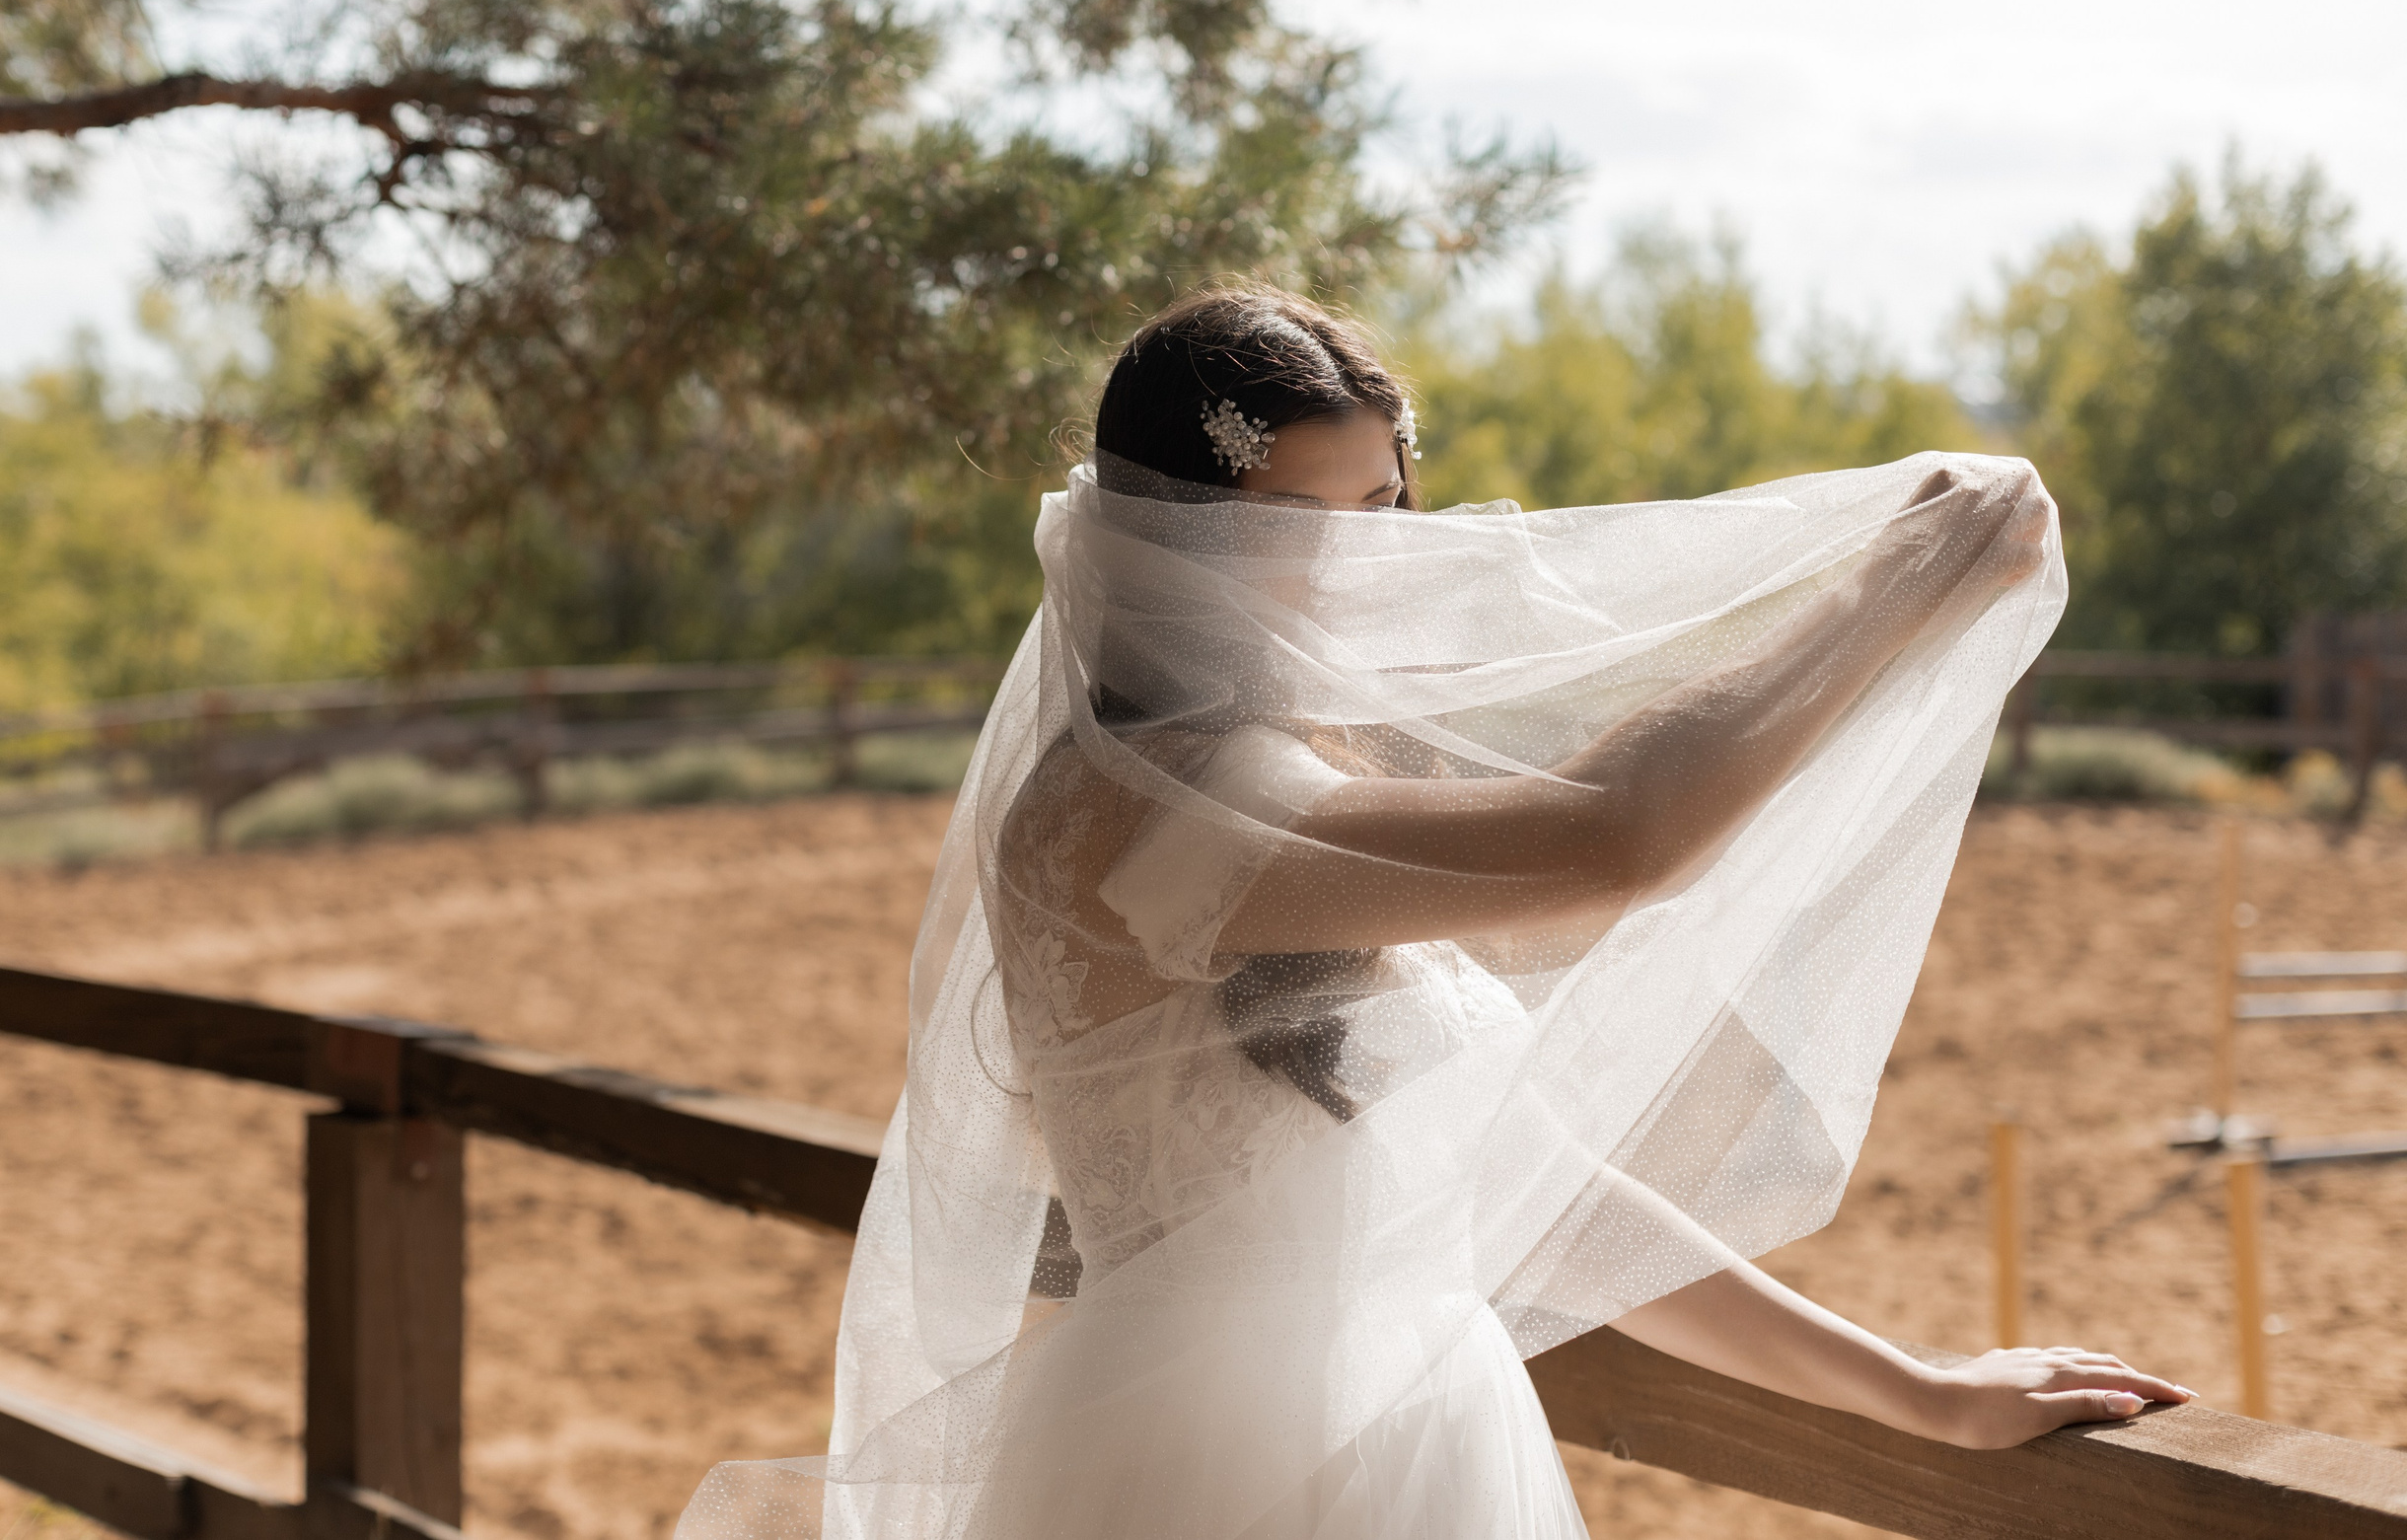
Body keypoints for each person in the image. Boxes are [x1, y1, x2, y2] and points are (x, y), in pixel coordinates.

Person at [678, 284, 2189, 1540]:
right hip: (1214, 1470)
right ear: (1163, 536)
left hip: (1427, 1435)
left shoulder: (1290, 770)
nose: (1354, 571)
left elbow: (1528, 1185)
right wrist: (1890, 586)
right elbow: (1617, 839)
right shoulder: (1136, 807)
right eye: (1295, 523)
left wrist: (1914, 1390)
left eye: (1381, 510)